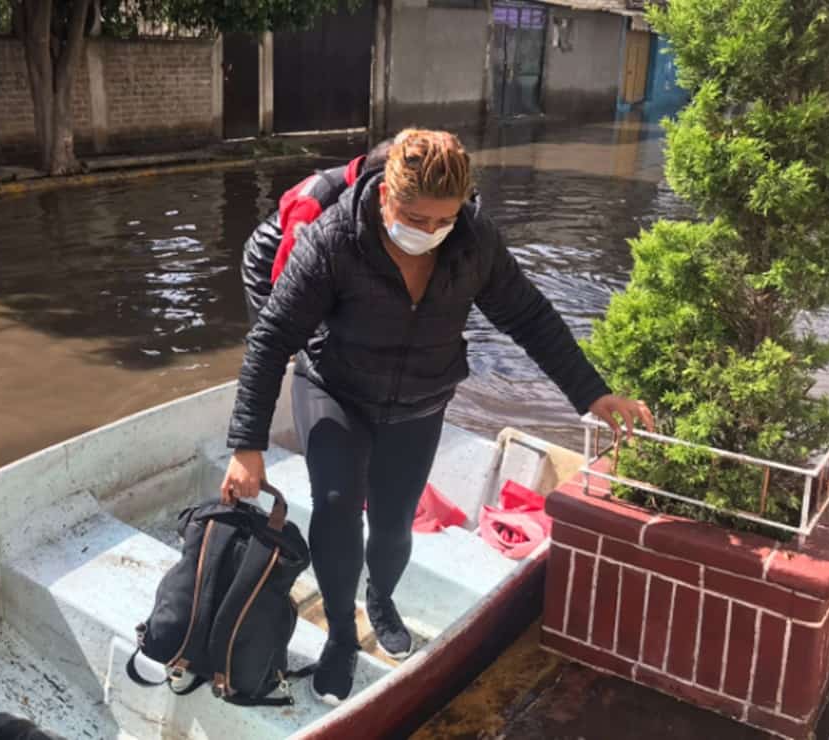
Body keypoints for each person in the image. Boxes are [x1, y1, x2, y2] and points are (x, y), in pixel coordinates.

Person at [221, 128, 654, 704]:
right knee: (335, 508)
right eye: (414, 218)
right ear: (384, 197)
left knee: (396, 523)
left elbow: (529, 316)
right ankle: (343, 637)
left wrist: (592, 393)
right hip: (334, 390)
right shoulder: (332, 240)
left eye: (441, 220)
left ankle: (381, 599)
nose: (427, 233)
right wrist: (247, 445)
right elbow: (272, 337)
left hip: (421, 400)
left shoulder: (474, 243)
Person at [241, 138, 393, 325]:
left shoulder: (369, 183)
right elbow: (285, 275)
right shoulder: (314, 203)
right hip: (271, 255)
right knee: (279, 328)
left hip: (329, 248)